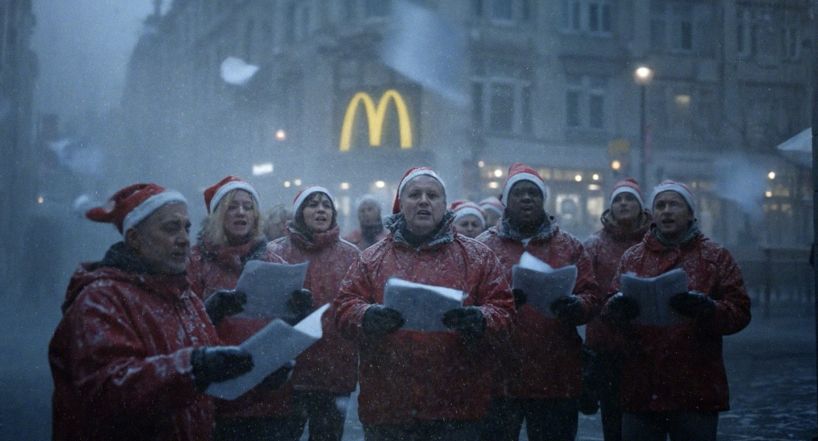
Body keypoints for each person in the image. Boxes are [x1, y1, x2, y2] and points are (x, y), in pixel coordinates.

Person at [48, 183, 255, 441]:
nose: (183, 238)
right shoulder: (101, 299)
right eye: (171, 228)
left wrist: (256, 379)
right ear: (135, 238)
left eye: (186, 228)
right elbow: (110, 390)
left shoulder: (185, 297)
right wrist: (195, 366)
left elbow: (208, 392)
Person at [334, 167, 515, 441]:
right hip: (389, 408)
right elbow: (344, 307)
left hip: (457, 405)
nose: (423, 201)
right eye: (414, 194)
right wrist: (367, 316)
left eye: (432, 195)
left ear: (444, 205)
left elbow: (504, 310)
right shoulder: (371, 259)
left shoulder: (478, 256)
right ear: (400, 203)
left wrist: (480, 320)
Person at [603, 180, 751, 441]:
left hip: (695, 385)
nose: (667, 211)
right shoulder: (633, 257)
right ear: (652, 214)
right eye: (660, 205)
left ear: (691, 213)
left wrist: (708, 309)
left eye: (674, 204)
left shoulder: (715, 256)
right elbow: (610, 305)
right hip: (642, 384)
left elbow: (740, 310)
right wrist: (617, 310)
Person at [476, 163, 601, 441]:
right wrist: (501, 305)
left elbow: (591, 294)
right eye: (518, 192)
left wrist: (576, 306)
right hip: (499, 376)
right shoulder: (484, 246)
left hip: (555, 375)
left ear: (543, 200)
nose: (526, 198)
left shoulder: (569, 246)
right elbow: (471, 298)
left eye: (533, 193)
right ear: (506, 201)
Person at [187, 176, 313, 441]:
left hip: (270, 395)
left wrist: (298, 313)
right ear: (218, 215)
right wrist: (211, 312)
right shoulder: (194, 261)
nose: (241, 212)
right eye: (233, 206)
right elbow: (179, 326)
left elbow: (286, 331)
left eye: (247, 206)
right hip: (217, 395)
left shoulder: (273, 260)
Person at [270, 186, 361, 441]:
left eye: (326, 205)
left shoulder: (351, 255)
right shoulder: (275, 251)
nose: (320, 209)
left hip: (334, 372)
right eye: (312, 204)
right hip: (287, 374)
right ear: (299, 213)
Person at [583, 178, 652, 441]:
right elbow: (585, 287)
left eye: (630, 198)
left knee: (645, 418)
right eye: (618, 199)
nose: (624, 203)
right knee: (613, 419)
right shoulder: (595, 245)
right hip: (606, 343)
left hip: (648, 342)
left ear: (641, 206)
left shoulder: (655, 241)